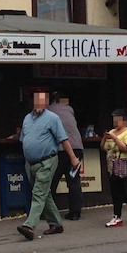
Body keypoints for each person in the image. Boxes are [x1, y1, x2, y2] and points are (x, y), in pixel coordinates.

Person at [16, 88, 78, 241]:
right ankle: (56, 224)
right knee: (44, 194)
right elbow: (24, 138)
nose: (39, 103)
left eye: (43, 100)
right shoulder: (27, 119)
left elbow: (63, 139)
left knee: (38, 193)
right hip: (30, 163)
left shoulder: (53, 118)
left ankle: (29, 226)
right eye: (37, 100)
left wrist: (73, 158)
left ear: (47, 103)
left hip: (47, 160)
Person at [47, 92, 84, 220]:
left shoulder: (49, 110)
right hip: (77, 149)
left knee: (52, 180)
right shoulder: (69, 109)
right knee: (74, 181)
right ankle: (75, 212)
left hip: (61, 150)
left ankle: (48, 211)